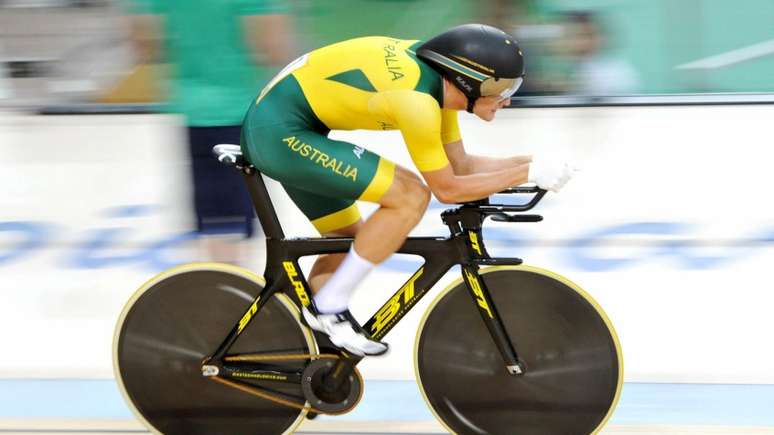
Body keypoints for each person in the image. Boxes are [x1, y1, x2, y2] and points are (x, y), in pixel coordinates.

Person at [241, 24, 575, 356]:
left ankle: (313, 355)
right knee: (410, 195)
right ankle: (327, 308)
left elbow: (460, 166)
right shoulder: (417, 101)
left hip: (293, 126)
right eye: (502, 87)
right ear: (468, 81)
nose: (508, 98)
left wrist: (531, 163)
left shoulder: (438, 82)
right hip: (279, 133)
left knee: (348, 241)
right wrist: (526, 172)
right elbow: (447, 189)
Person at [126, 0, 292, 264]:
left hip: (191, 109)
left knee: (213, 220)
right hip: (238, 108)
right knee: (237, 222)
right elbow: (271, 48)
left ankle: (217, 291)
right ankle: (235, 295)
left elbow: (144, 47)